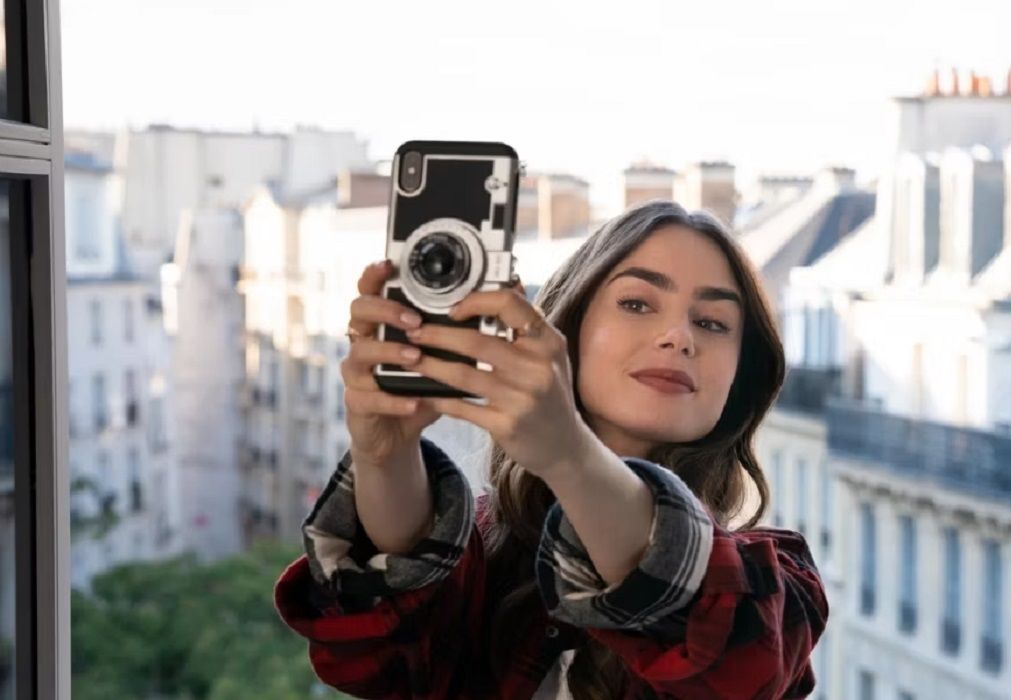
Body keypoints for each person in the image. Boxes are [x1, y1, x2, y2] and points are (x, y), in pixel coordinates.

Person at [273, 199, 828, 699]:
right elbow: (377, 643)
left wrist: (568, 452)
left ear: (739, 380)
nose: (679, 336)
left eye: (712, 322)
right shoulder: (481, 553)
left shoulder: (777, 588)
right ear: (569, 327)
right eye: (637, 304)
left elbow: (739, 666)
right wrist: (384, 453)